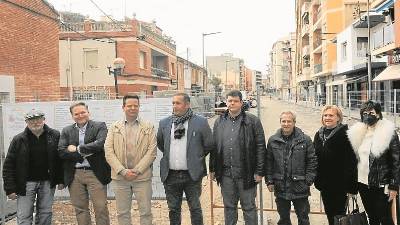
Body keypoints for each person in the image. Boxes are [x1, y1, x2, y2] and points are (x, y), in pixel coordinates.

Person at [210, 90, 266, 225]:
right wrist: (212, 169)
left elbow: (260, 147)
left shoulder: (252, 121)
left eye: (235, 101)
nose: (232, 103)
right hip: (226, 174)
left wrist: (259, 172)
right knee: (229, 207)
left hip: (246, 174)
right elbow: (215, 147)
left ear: (241, 103)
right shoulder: (219, 122)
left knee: (249, 207)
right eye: (230, 101)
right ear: (226, 102)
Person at [157, 92, 213, 225]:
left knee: (195, 208)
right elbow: (161, 144)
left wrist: (196, 157)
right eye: (173, 103)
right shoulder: (164, 123)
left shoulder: (200, 122)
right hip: (170, 175)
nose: (174, 106)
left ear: (187, 104)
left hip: (191, 175)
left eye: (178, 103)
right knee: (174, 209)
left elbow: (209, 144)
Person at [3, 109, 64, 225]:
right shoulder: (18, 139)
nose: (35, 122)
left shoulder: (55, 135)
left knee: (45, 213)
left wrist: (61, 180)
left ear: (44, 120)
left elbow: (60, 160)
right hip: (25, 183)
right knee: (24, 214)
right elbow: (8, 165)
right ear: (26, 122)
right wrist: (10, 188)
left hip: (47, 182)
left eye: (38, 119)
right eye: (31, 120)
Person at [105, 94, 157, 225]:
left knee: (145, 212)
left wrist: (137, 171)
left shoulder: (148, 127)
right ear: (123, 107)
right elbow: (108, 151)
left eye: (136, 105)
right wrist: (123, 171)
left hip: (142, 177)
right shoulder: (114, 127)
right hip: (120, 178)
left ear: (139, 107)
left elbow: (152, 152)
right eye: (129, 106)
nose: (132, 108)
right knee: (122, 213)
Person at [347, 100, 400, 225]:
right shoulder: (359, 133)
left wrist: (394, 186)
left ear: (378, 114)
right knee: (372, 217)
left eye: (371, 112)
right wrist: (352, 185)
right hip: (363, 183)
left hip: (382, 185)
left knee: (386, 218)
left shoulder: (389, 133)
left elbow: (396, 162)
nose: (367, 115)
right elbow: (355, 161)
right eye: (364, 113)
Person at [58, 102, 111, 225]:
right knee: (80, 209)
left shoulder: (100, 126)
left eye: (83, 112)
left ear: (88, 112)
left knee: (101, 207)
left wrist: (77, 149)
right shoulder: (67, 130)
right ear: (72, 116)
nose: (80, 115)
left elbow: (100, 144)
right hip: (75, 174)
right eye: (76, 114)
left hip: (95, 173)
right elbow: (61, 151)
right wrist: (85, 154)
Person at [265, 111, 317, 225]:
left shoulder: (305, 139)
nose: (286, 124)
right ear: (280, 122)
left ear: (294, 122)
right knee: (284, 219)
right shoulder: (273, 140)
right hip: (280, 186)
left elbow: (312, 161)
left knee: (303, 218)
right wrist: (269, 181)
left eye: (289, 121)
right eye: (283, 121)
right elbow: (269, 162)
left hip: (299, 186)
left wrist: (308, 180)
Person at [313, 105, 357, 225]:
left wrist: (351, 187)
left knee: (339, 216)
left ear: (338, 118)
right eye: (325, 115)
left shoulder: (346, 135)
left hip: (340, 185)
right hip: (325, 184)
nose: (327, 117)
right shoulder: (319, 134)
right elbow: (314, 157)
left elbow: (351, 161)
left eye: (331, 115)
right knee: (329, 214)